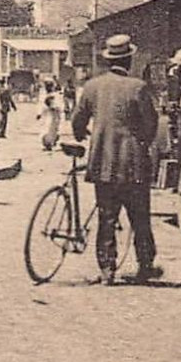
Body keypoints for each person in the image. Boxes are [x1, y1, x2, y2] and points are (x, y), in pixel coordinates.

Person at [70, 34, 161, 285]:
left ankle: (107, 270)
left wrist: (81, 134)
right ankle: (145, 265)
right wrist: (141, 144)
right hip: (134, 166)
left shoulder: (92, 87)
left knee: (106, 217)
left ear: (107, 60)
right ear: (129, 59)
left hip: (103, 163)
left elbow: (78, 119)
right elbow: (150, 125)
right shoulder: (138, 87)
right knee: (139, 217)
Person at [40, 80, 68, 152]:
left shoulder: (56, 95)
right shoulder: (43, 95)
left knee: (53, 129)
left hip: (55, 116)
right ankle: (47, 143)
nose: (48, 88)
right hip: (47, 115)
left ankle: (51, 143)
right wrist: (40, 113)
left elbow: (60, 105)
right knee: (46, 129)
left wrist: (56, 108)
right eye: (47, 86)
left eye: (49, 86)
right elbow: (41, 105)